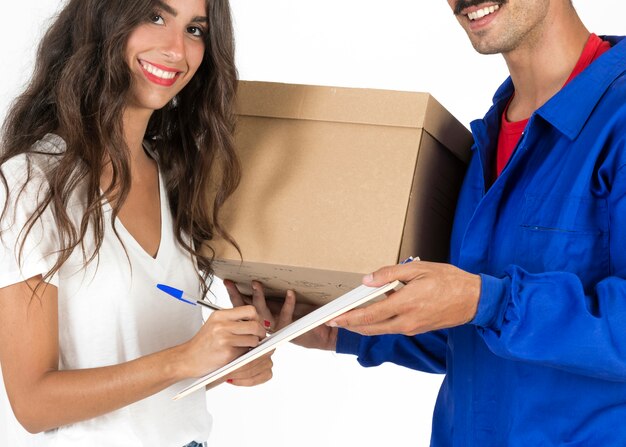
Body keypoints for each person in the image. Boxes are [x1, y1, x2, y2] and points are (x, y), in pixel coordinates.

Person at [227, 0, 626, 445]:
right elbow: (474, 340)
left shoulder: (618, 117)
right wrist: (333, 329)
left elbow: (489, 307)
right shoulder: (484, 142)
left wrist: (484, 300)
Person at [0, 0, 274, 445]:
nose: (177, 49)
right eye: (156, 17)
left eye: (196, 30)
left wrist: (228, 356)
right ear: (101, 18)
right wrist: (184, 358)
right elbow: (33, 404)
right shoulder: (30, 185)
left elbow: (154, 379)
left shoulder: (178, 176)